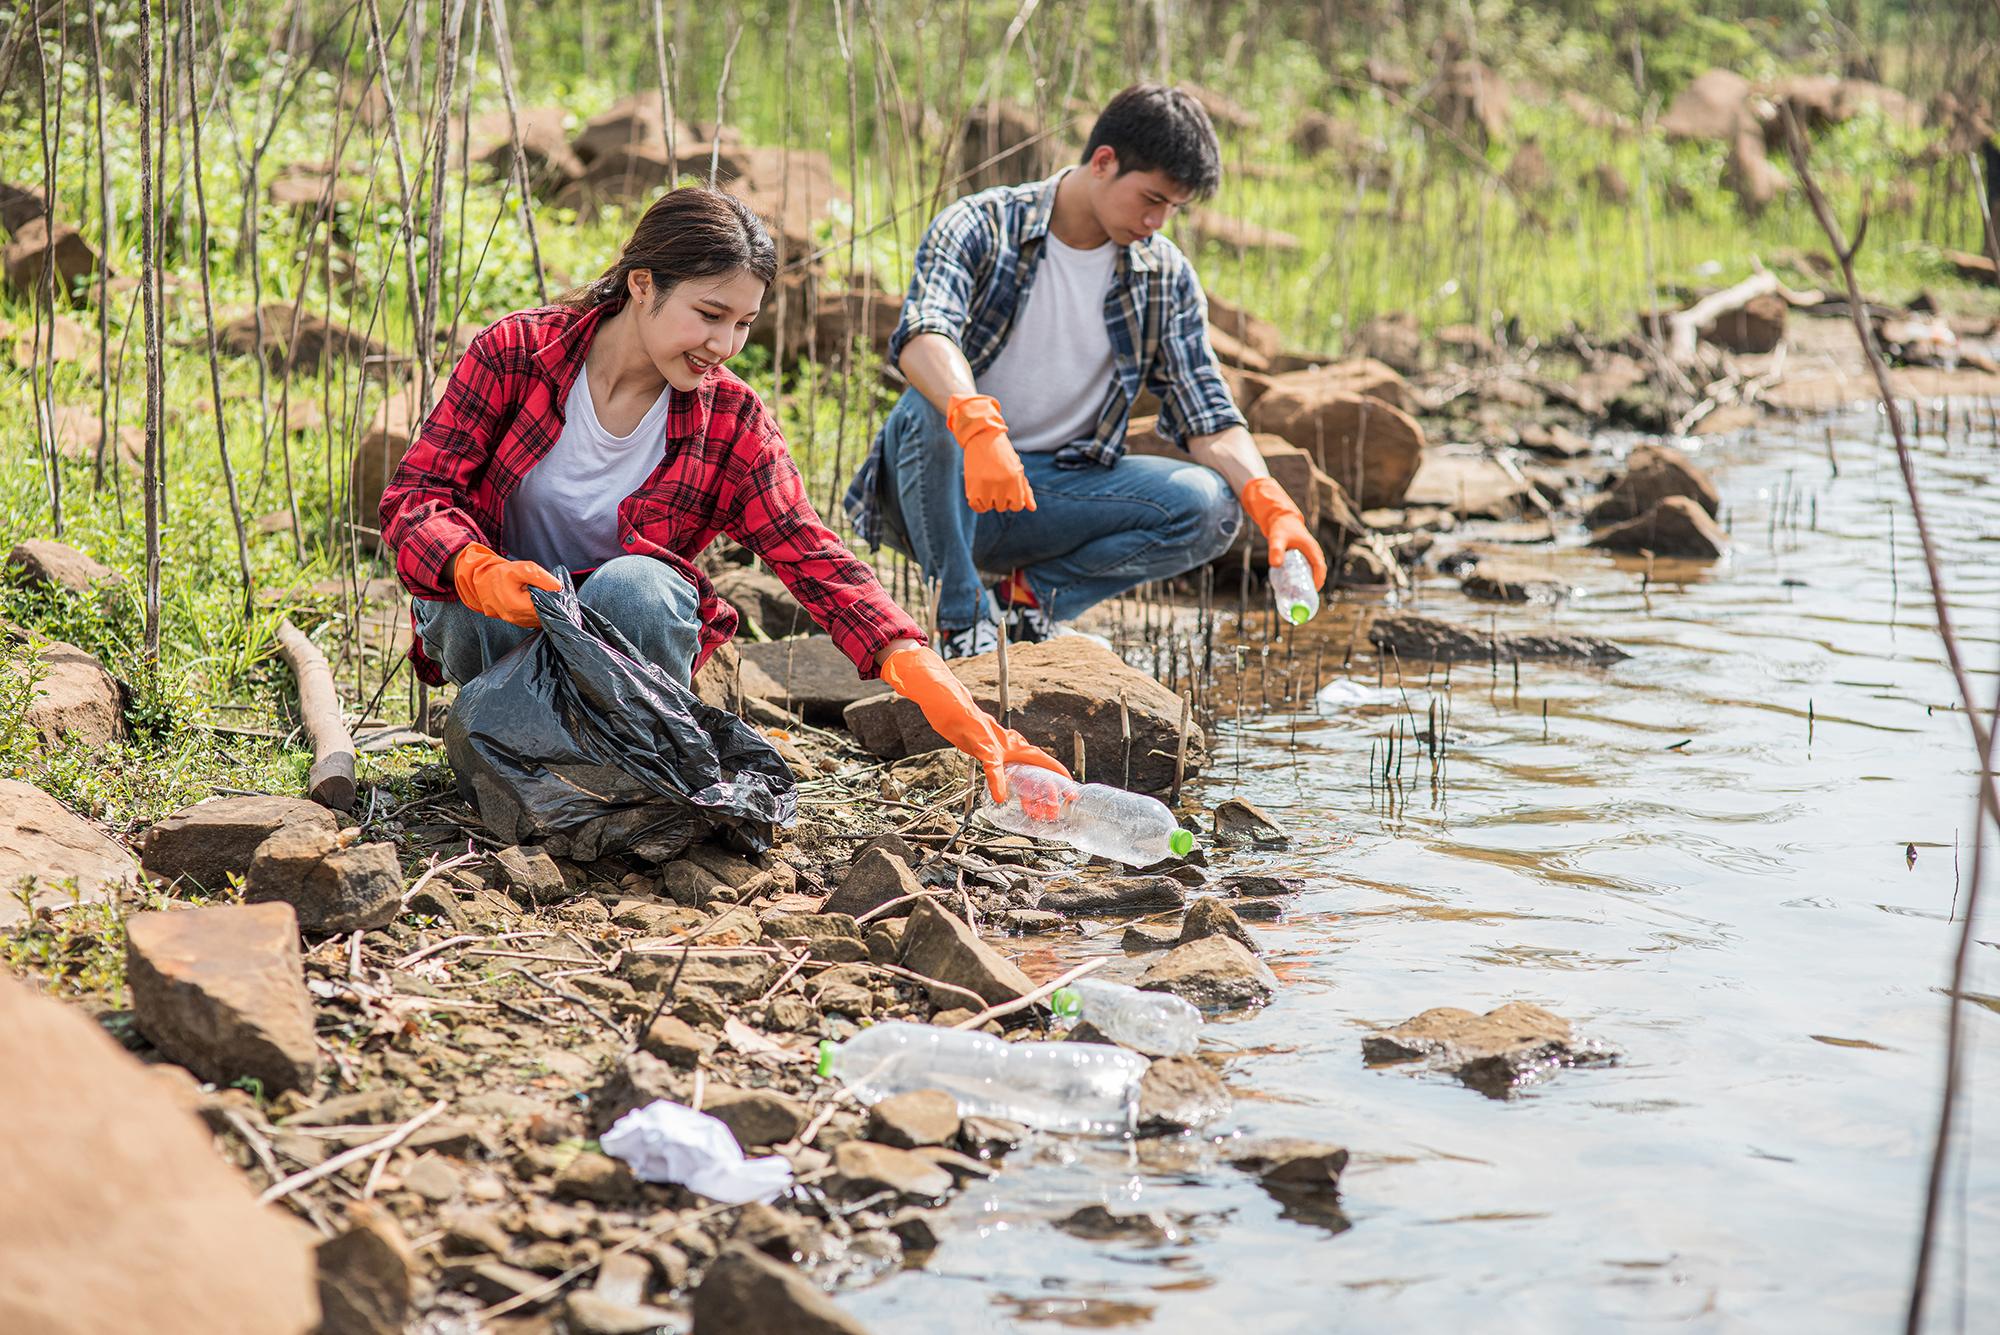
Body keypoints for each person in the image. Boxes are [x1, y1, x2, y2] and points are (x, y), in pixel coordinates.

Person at [379, 185, 1065, 803]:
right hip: (505, 624)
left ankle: (620, 775)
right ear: (642, 284)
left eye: (743, 323)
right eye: (709, 314)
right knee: (454, 597)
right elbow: (416, 497)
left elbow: (814, 556)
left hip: (624, 655)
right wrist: (477, 568)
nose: (725, 344)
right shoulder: (519, 352)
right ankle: (509, 755)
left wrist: (927, 677)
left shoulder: (731, 420)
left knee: (639, 587)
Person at [844, 83, 1327, 658]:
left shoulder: (1162, 274)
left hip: (1046, 496)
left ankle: (1026, 607)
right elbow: (923, 335)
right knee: (931, 402)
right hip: (938, 487)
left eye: (1173, 209)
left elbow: (1208, 413)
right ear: (1103, 162)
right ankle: (961, 620)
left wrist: (1269, 502)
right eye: (1151, 199)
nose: (1157, 221)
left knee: (1212, 506)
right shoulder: (981, 223)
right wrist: (978, 427)